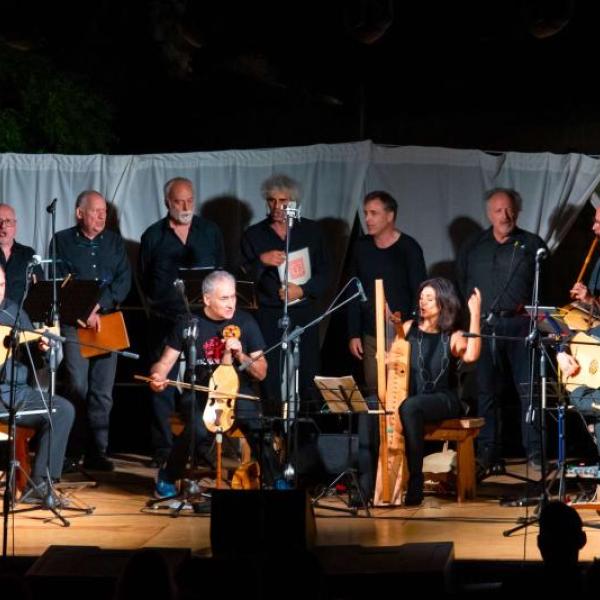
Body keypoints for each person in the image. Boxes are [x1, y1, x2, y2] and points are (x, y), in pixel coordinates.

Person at [148, 270, 272, 497]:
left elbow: (261, 372)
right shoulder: (188, 323)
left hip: (237, 391)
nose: (231, 303)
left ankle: (276, 478)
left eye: (233, 297)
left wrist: (241, 356)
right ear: (207, 299)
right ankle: (168, 475)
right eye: (224, 298)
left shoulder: (245, 321)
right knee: (197, 425)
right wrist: (157, 377)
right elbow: (164, 364)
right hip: (200, 391)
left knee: (256, 425)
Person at [457, 187, 548, 473]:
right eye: (498, 210)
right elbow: (462, 281)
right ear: (489, 213)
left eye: (509, 210)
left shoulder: (532, 244)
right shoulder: (474, 245)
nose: (504, 216)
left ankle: (535, 452)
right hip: (485, 325)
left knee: (528, 391)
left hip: (522, 325)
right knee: (487, 393)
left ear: (517, 212)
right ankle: (489, 454)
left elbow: (544, 286)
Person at [139, 176, 225, 468]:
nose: (186, 206)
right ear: (167, 203)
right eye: (179, 201)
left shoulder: (210, 231)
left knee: (206, 385)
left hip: (204, 322)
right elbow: (144, 280)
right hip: (165, 321)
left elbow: (221, 273)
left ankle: (201, 446)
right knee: (160, 385)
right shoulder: (153, 236)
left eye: (190, 199)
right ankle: (163, 449)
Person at [50, 190, 131, 472]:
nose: (101, 216)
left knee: (102, 392)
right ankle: (72, 450)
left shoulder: (114, 242)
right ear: (79, 213)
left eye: (104, 212)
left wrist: (100, 306)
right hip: (76, 322)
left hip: (106, 321)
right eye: (95, 211)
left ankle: (98, 452)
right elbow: (58, 280)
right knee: (77, 387)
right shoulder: (61, 240)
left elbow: (123, 280)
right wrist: (83, 310)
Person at [240, 174, 330, 414]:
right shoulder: (254, 234)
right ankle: (273, 430)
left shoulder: (311, 231)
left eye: (283, 200)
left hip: (304, 311)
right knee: (270, 371)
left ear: (294, 202)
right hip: (269, 313)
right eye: (271, 200)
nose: (277, 206)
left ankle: (308, 432)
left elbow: (325, 274)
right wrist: (262, 261)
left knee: (309, 370)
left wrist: (303, 289)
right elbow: (241, 278)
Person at [398, 278, 481, 505]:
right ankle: (368, 487)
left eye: (429, 298)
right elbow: (394, 362)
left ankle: (416, 481)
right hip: (413, 400)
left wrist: (475, 315)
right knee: (379, 406)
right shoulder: (408, 328)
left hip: (445, 400)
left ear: (442, 304)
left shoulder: (453, 335)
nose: (422, 302)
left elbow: (472, 355)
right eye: (421, 297)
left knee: (410, 406)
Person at [0, 265, 75, 502]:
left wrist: (41, 348)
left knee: (62, 410)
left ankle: (39, 484)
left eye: (1, 285)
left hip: (19, 393)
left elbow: (35, 359)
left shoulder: (15, 311)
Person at [347, 190, 427, 394]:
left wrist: (409, 330)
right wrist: (354, 333)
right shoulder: (361, 248)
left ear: (390, 216)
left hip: (402, 334)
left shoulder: (409, 248)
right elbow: (353, 291)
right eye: (366, 213)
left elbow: (420, 293)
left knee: (400, 391)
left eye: (374, 213)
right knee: (375, 391)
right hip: (371, 334)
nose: (367, 219)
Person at [0, 203, 43, 305]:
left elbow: (40, 290)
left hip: (21, 318)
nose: (2, 226)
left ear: (15, 225)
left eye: (8, 221)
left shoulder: (28, 254)